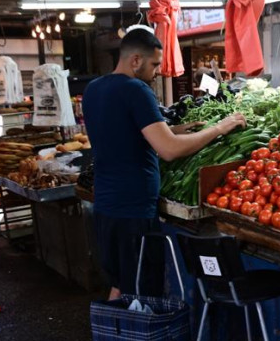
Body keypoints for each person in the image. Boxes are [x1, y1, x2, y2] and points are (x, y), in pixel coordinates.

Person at [83, 28, 246, 300]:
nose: (157, 71)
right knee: (143, 292)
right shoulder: (135, 90)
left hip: (106, 206)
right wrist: (219, 128)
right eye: (154, 64)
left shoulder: (94, 89)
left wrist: (181, 129)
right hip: (133, 212)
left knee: (121, 283)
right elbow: (168, 150)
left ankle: (113, 340)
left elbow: (126, 133)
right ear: (135, 60)